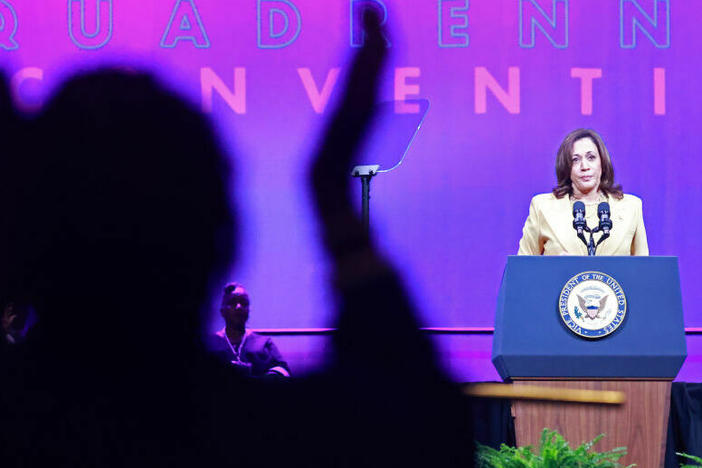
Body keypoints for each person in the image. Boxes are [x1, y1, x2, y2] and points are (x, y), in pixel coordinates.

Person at [518, 128, 649, 256]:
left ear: (602, 162)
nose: (584, 167)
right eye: (575, 160)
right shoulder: (543, 207)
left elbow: (643, 271)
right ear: (566, 167)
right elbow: (523, 268)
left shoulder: (632, 207)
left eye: (591, 157)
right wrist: (554, 269)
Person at [209, 282, 290, 377]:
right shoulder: (210, 344)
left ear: (248, 311)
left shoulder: (264, 343)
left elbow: (284, 370)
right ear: (222, 311)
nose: (239, 307)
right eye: (232, 302)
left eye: (244, 303)